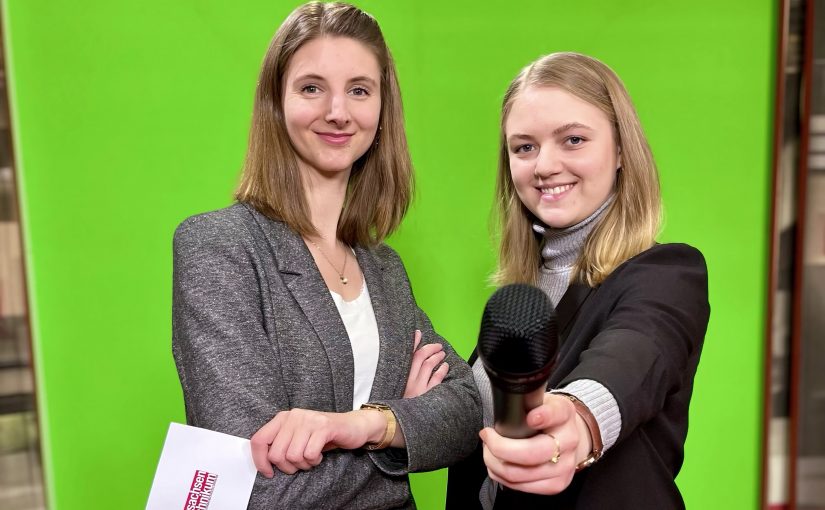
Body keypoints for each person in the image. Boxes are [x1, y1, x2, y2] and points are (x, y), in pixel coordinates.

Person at [171, 3, 481, 509]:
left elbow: (469, 411)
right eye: (311, 87)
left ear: (383, 110)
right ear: (276, 101)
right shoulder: (218, 248)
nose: (338, 111)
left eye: (359, 90)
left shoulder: (384, 269)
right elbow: (250, 483)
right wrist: (402, 427)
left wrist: (365, 424)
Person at [446, 52, 710, 509]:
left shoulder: (666, 276)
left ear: (622, 149)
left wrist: (578, 420)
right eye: (524, 147)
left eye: (572, 139)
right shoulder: (528, 300)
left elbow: (631, 358)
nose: (544, 165)